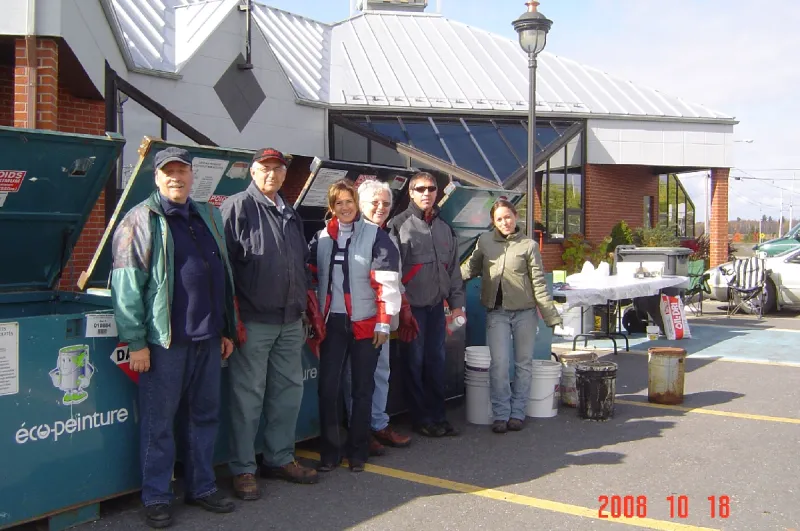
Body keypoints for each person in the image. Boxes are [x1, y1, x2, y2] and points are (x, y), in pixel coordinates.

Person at [111, 147, 238, 528]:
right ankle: (156, 496)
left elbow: (221, 273)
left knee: (205, 416)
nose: (176, 178)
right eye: (168, 172)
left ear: (191, 176)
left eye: (182, 171)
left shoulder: (208, 215)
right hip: (164, 343)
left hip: (207, 338)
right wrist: (136, 342)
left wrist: (225, 329)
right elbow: (126, 286)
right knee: (159, 423)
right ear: (156, 177)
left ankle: (202, 486)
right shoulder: (140, 219)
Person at [220, 148, 322, 501]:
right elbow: (223, 268)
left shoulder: (289, 212)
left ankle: (279, 458)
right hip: (252, 322)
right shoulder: (236, 207)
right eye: (265, 168)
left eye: (278, 169)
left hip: (290, 321)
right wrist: (229, 319)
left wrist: (304, 309)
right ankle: (243, 468)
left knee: (288, 394)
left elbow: (300, 263)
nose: (272, 174)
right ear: (252, 172)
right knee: (247, 398)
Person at [308, 180, 401, 472]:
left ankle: (358, 452)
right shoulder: (322, 238)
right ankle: (330, 453)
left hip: (366, 324)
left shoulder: (375, 236)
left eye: (349, 201)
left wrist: (383, 324)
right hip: (332, 325)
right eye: (339, 203)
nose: (345, 207)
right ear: (331, 207)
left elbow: (387, 283)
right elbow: (309, 275)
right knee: (328, 389)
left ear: (357, 205)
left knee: (362, 390)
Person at [461, 200, 562, 433]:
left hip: (525, 313)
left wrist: (551, 316)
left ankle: (517, 413)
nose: (504, 222)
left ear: (515, 216)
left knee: (523, 364)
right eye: (499, 219)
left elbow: (538, 282)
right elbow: (470, 268)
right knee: (499, 364)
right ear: (493, 222)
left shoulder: (529, 245)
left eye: (507, 217)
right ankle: (500, 414)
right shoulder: (485, 242)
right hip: (497, 313)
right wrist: (446, 277)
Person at [340, 180, 417, 456]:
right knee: (357, 377)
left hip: (383, 319)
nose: (381, 208)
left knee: (381, 371)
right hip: (358, 318)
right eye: (374, 202)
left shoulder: (387, 235)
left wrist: (403, 307)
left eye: (385, 203)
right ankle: (359, 429)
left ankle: (378, 423)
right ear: (360, 204)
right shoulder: (348, 234)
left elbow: (394, 280)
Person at [388, 172, 466, 438]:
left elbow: (453, 270)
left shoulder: (445, 228)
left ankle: (438, 416)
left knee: (436, 362)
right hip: (412, 309)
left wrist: (457, 304)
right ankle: (421, 418)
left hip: (436, 308)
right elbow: (393, 271)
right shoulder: (399, 225)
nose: (426, 193)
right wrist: (402, 308)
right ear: (411, 192)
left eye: (431, 189)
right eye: (420, 189)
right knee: (414, 362)